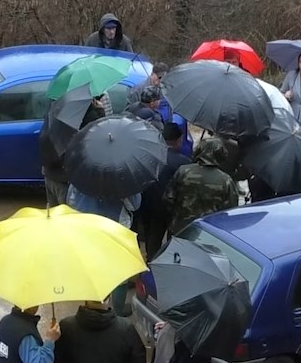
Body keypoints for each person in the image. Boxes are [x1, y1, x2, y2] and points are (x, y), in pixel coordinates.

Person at [67, 184, 140, 314]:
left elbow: (71, 201)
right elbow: (134, 205)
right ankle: (118, 310)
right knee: (120, 271)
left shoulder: (82, 174)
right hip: (116, 229)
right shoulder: (123, 176)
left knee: (92, 268)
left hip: (87, 228)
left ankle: (92, 308)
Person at [40, 94, 107, 207]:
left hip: (49, 171)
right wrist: (100, 111)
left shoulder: (55, 103)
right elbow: (97, 133)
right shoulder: (84, 112)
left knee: (53, 212)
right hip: (64, 177)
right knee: (67, 214)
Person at [164, 137, 239, 234]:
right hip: (208, 232)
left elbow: (168, 199)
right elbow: (230, 209)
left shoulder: (183, 171)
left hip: (180, 227)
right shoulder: (226, 180)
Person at [138, 123, 192, 257]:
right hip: (169, 207)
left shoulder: (148, 155)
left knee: (151, 235)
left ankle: (150, 258)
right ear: (178, 140)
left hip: (146, 203)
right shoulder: (184, 162)